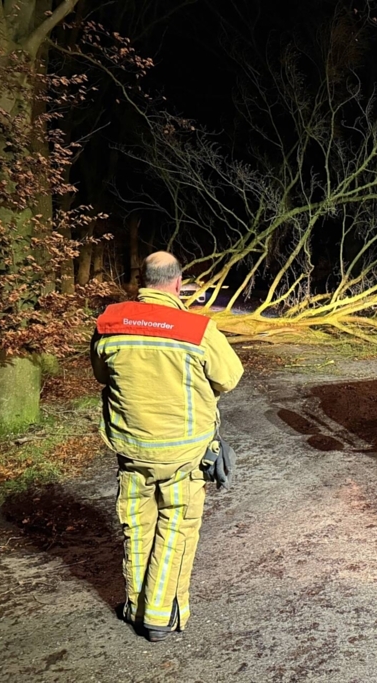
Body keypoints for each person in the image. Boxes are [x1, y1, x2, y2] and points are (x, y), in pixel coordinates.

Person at [90, 251, 244, 642]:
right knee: (176, 526)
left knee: (137, 527)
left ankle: (134, 607)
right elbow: (229, 377)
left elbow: (102, 374)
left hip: (131, 451)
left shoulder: (110, 323)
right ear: (177, 283)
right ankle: (159, 617)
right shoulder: (196, 329)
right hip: (183, 455)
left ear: (141, 281)